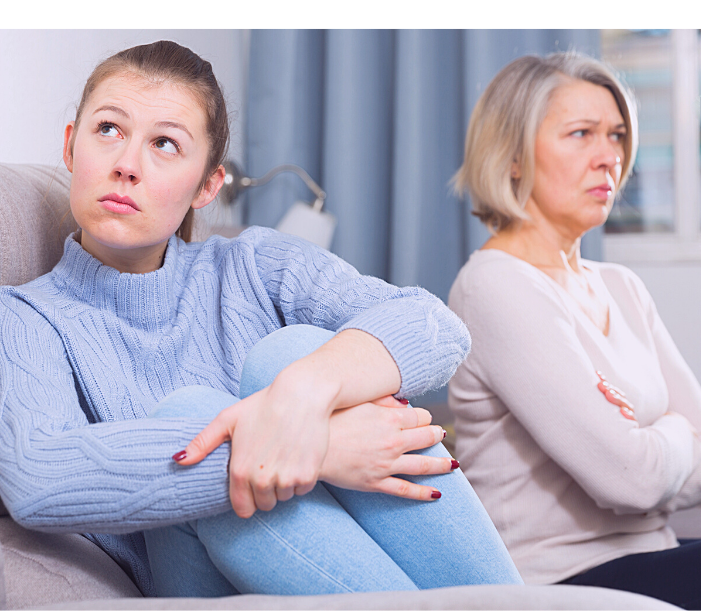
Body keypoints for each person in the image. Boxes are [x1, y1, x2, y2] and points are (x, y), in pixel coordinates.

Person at [0, 40, 522, 598]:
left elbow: (435, 325)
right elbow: (35, 477)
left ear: (207, 186)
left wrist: (303, 393)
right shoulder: (27, 317)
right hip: (193, 579)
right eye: (108, 130)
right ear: (70, 146)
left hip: (312, 573)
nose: (126, 165)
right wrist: (320, 451)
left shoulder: (253, 263)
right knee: (192, 412)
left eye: (165, 144)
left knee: (293, 353)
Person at [447, 51, 701, 610]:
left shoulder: (622, 286)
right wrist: (676, 435)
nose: (608, 157)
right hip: (562, 575)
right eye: (581, 134)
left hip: (654, 551)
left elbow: (642, 473)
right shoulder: (495, 286)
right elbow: (630, 481)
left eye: (615, 136)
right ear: (512, 157)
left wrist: (646, 452)